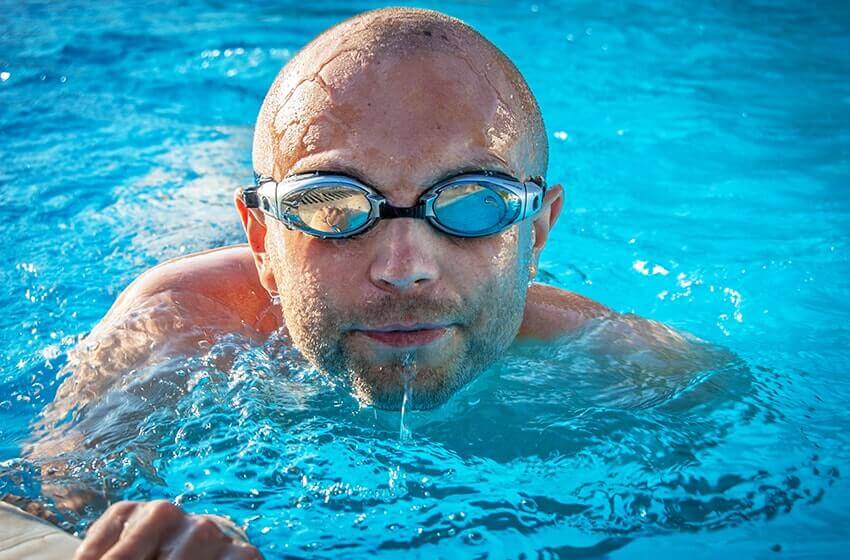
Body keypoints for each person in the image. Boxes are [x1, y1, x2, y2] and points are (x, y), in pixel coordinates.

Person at [18, 7, 711, 559]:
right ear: (262, 242)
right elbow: (33, 511)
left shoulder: (644, 372)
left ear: (537, 234)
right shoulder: (180, 321)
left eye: (472, 203)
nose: (404, 266)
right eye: (335, 205)